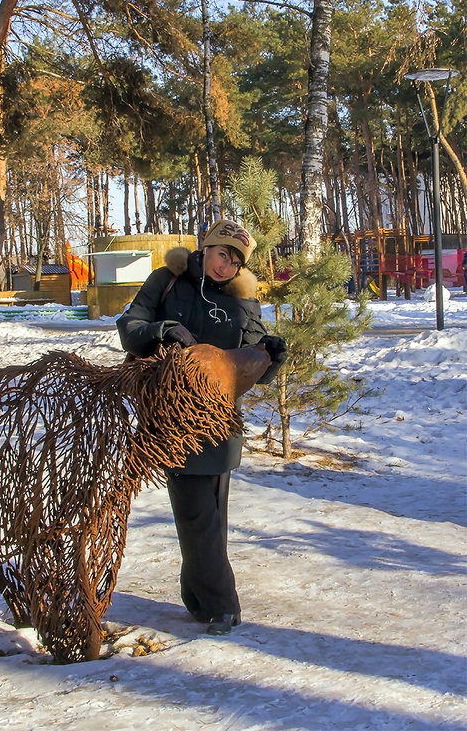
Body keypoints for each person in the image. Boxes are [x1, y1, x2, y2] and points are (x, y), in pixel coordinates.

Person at [116, 219, 287, 635]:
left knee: (208, 513)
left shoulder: (243, 300)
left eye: (235, 260)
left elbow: (252, 367)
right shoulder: (168, 281)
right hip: (174, 416)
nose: (226, 266)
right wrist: (161, 329)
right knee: (197, 512)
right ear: (205, 248)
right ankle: (219, 605)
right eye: (222, 253)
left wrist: (272, 355)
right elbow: (129, 328)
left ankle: (199, 597)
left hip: (220, 419)